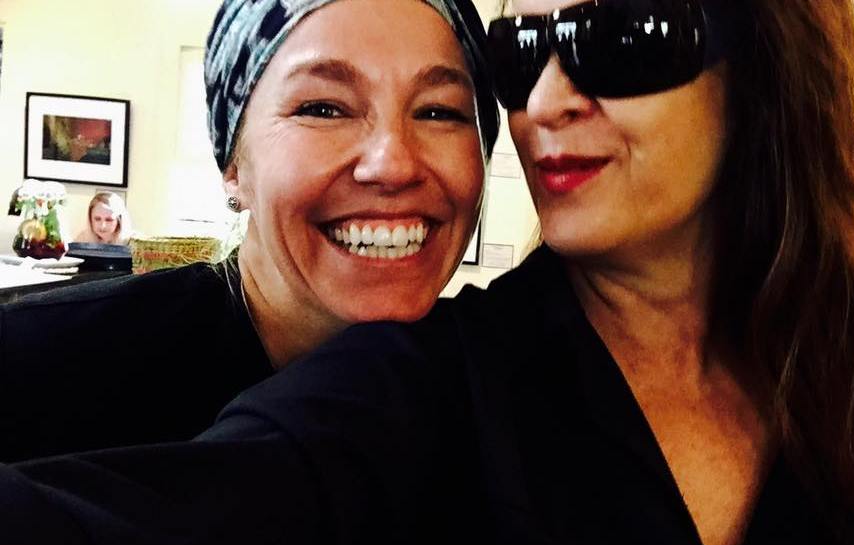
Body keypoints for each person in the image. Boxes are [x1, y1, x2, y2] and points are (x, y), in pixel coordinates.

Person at [0, 0, 854, 545]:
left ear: (763, 70)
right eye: (522, 49)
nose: (546, 99)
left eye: (624, 37)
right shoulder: (412, 387)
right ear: (232, 160)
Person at [0, 0, 497, 463]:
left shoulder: (498, 405)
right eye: (323, 109)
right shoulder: (37, 365)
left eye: (439, 111)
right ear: (235, 167)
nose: (393, 165)